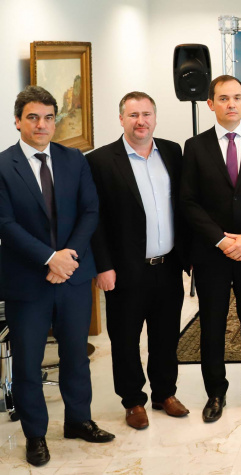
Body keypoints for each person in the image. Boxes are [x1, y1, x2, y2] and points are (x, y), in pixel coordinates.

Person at [0, 86, 114, 467]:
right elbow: (5, 224)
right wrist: (49, 258)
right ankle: (35, 434)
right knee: (29, 363)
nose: (42, 124)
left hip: (74, 278)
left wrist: (68, 259)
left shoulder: (73, 159)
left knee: (76, 356)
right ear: (17, 121)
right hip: (27, 282)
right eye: (33, 117)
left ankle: (79, 420)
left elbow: (90, 212)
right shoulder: (3, 166)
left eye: (49, 117)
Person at [88, 91, 190, 430]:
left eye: (146, 114)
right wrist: (103, 266)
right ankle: (133, 401)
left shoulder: (173, 153)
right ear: (121, 119)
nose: (141, 121)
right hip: (125, 271)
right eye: (133, 115)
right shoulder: (101, 161)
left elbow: (184, 208)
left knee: (166, 336)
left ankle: (165, 393)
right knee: (126, 340)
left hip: (168, 266)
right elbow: (96, 220)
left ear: (155, 118)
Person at [181, 75, 241, 422]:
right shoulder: (194, 146)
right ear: (211, 104)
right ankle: (216, 394)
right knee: (212, 325)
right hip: (211, 254)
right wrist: (221, 240)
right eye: (223, 98)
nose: (231, 104)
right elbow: (188, 201)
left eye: (237, 97)